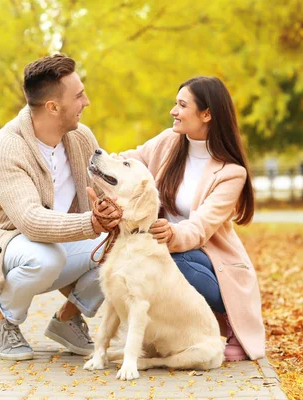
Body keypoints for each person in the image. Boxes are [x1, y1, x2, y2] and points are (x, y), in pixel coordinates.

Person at [0, 54, 120, 361]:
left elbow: (105, 192)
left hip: (60, 246)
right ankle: (2, 318)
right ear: (53, 107)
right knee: (45, 256)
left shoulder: (81, 137)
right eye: (78, 96)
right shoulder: (5, 148)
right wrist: (92, 224)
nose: (86, 102)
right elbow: (31, 221)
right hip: (3, 248)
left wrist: (112, 213)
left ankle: (68, 319)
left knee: (123, 244)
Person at [118, 76, 265, 362]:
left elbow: (201, 227)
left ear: (207, 114)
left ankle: (229, 317)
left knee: (175, 259)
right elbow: (130, 162)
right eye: (175, 103)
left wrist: (171, 235)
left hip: (209, 259)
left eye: (182, 105)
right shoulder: (168, 142)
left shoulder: (230, 172)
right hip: (161, 246)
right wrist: (103, 166)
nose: (174, 111)